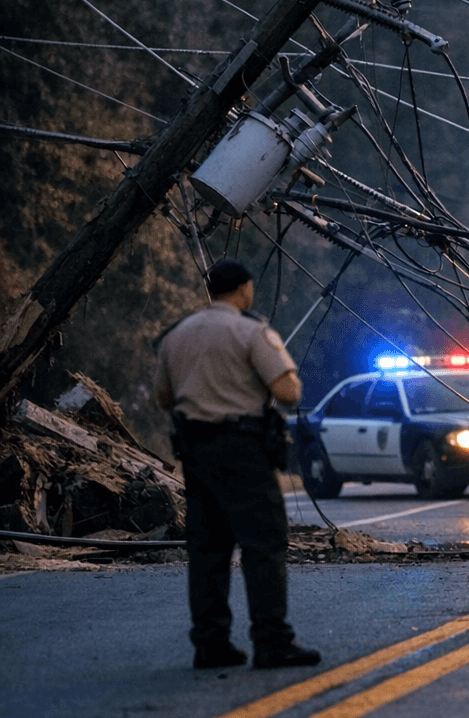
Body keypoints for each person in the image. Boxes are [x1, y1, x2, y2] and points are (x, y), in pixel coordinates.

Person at [154, 260, 322, 670]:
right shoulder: (252, 331)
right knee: (263, 545)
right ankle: (272, 641)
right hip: (243, 451)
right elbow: (288, 392)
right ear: (245, 289)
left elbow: (164, 398)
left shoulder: (176, 335)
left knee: (208, 550)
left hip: (195, 452)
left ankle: (210, 645)